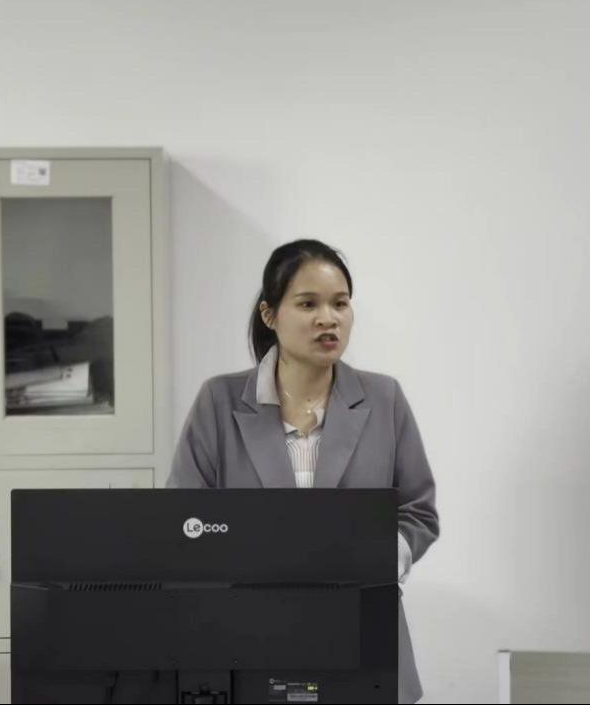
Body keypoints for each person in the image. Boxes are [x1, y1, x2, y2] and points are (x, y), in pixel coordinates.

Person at [167, 239, 440, 704]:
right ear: (269, 314)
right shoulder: (218, 401)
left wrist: (384, 555)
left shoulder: (384, 399)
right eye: (308, 304)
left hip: (362, 635)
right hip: (248, 636)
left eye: (340, 304)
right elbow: (183, 519)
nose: (328, 319)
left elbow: (418, 511)